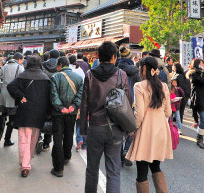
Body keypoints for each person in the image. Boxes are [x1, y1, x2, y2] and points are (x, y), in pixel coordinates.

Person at [79, 41, 130, 193]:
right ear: (114, 57)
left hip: (95, 127)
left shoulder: (89, 75)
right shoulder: (121, 74)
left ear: (99, 57)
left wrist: (83, 129)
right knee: (114, 171)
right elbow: (128, 102)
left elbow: (84, 104)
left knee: (92, 169)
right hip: (115, 128)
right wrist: (127, 129)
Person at [126, 56, 173, 193]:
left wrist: (132, 129)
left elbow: (139, 114)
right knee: (156, 167)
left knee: (142, 172)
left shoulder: (139, 86)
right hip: (161, 130)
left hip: (146, 131)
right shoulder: (163, 86)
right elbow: (168, 112)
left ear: (144, 69)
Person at [6, 56, 52, 177]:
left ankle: (25, 165)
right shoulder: (46, 78)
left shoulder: (23, 76)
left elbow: (10, 86)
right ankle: (27, 161)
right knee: (33, 138)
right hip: (39, 113)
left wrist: (20, 96)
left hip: (25, 112)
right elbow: (49, 97)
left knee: (24, 138)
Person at [49, 56, 84, 177]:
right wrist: (74, 106)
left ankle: (58, 169)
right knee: (69, 134)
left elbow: (53, 95)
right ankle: (67, 157)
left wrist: (60, 107)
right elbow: (81, 94)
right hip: (72, 112)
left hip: (58, 113)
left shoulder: (55, 77)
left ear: (59, 65)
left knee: (57, 139)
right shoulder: (79, 78)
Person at [0, 52, 25, 146]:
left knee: (3, 115)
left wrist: (1, 86)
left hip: (4, 94)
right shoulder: (20, 68)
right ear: (19, 59)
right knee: (12, 118)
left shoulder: (5, 66)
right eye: (22, 59)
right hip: (13, 96)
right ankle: (7, 140)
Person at [117, 45, 141, 167]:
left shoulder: (116, 68)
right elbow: (139, 87)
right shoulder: (135, 70)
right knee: (131, 127)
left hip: (118, 102)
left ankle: (120, 153)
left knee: (119, 128)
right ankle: (127, 150)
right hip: (132, 102)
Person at [187, 58, 204, 149]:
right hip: (199, 99)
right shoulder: (193, 74)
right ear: (197, 64)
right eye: (201, 63)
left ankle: (200, 136)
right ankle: (199, 138)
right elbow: (203, 81)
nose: (203, 65)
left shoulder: (200, 73)